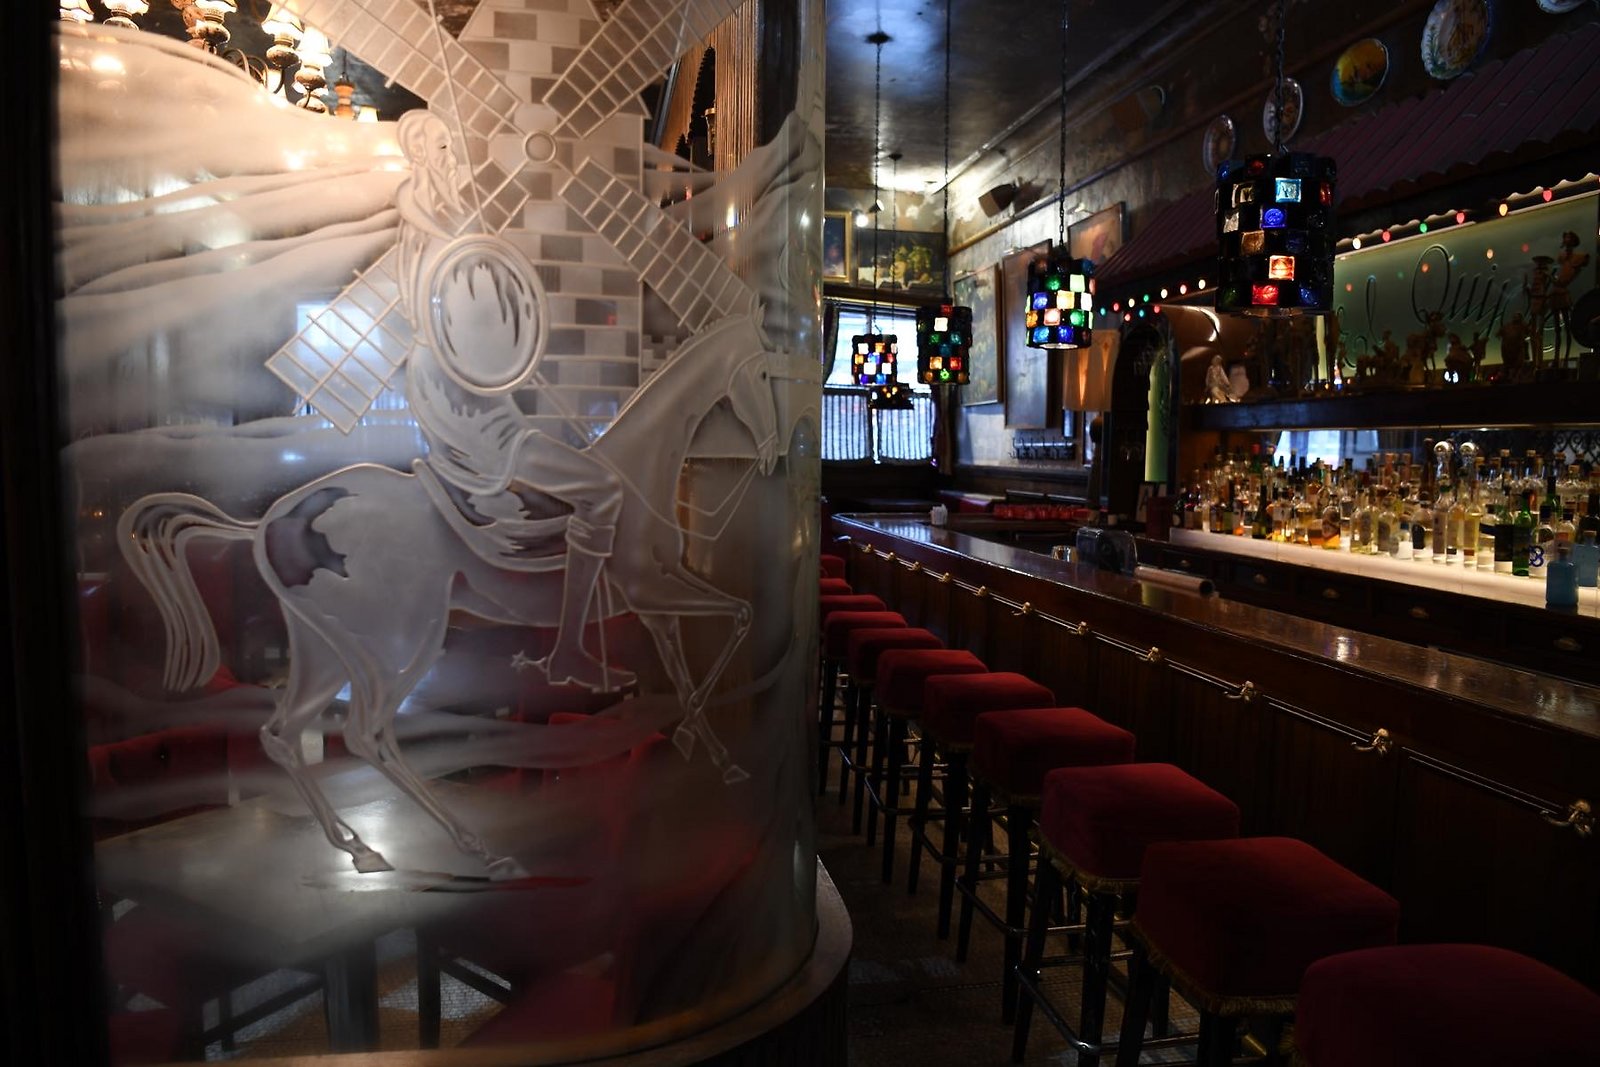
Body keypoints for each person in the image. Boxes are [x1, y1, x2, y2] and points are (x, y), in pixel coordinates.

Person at [395, 110, 630, 692]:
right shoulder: (440, 228)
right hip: (466, 400)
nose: (452, 159)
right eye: (443, 148)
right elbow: (476, 326)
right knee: (603, 490)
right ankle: (569, 651)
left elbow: (490, 323)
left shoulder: (436, 225)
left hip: (459, 388)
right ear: (420, 155)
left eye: (452, 147)